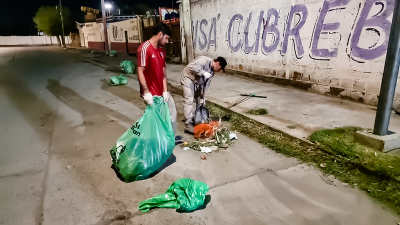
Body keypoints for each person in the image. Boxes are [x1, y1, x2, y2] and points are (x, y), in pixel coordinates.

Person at [137, 23, 182, 144]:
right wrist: (146, 92)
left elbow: (163, 73)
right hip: (151, 94)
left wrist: (165, 90)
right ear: (160, 34)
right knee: (156, 119)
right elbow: (140, 71)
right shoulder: (145, 48)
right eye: (166, 38)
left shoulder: (161, 51)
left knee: (172, 113)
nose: (167, 41)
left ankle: (170, 138)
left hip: (161, 92)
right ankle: (156, 143)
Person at [181, 56, 227, 134]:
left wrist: (203, 96)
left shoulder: (212, 72)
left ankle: (197, 118)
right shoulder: (204, 60)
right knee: (189, 99)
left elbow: (206, 83)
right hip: (188, 78)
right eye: (220, 69)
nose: (219, 71)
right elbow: (191, 66)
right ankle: (188, 123)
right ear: (217, 64)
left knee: (199, 100)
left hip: (198, 82)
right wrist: (203, 72)